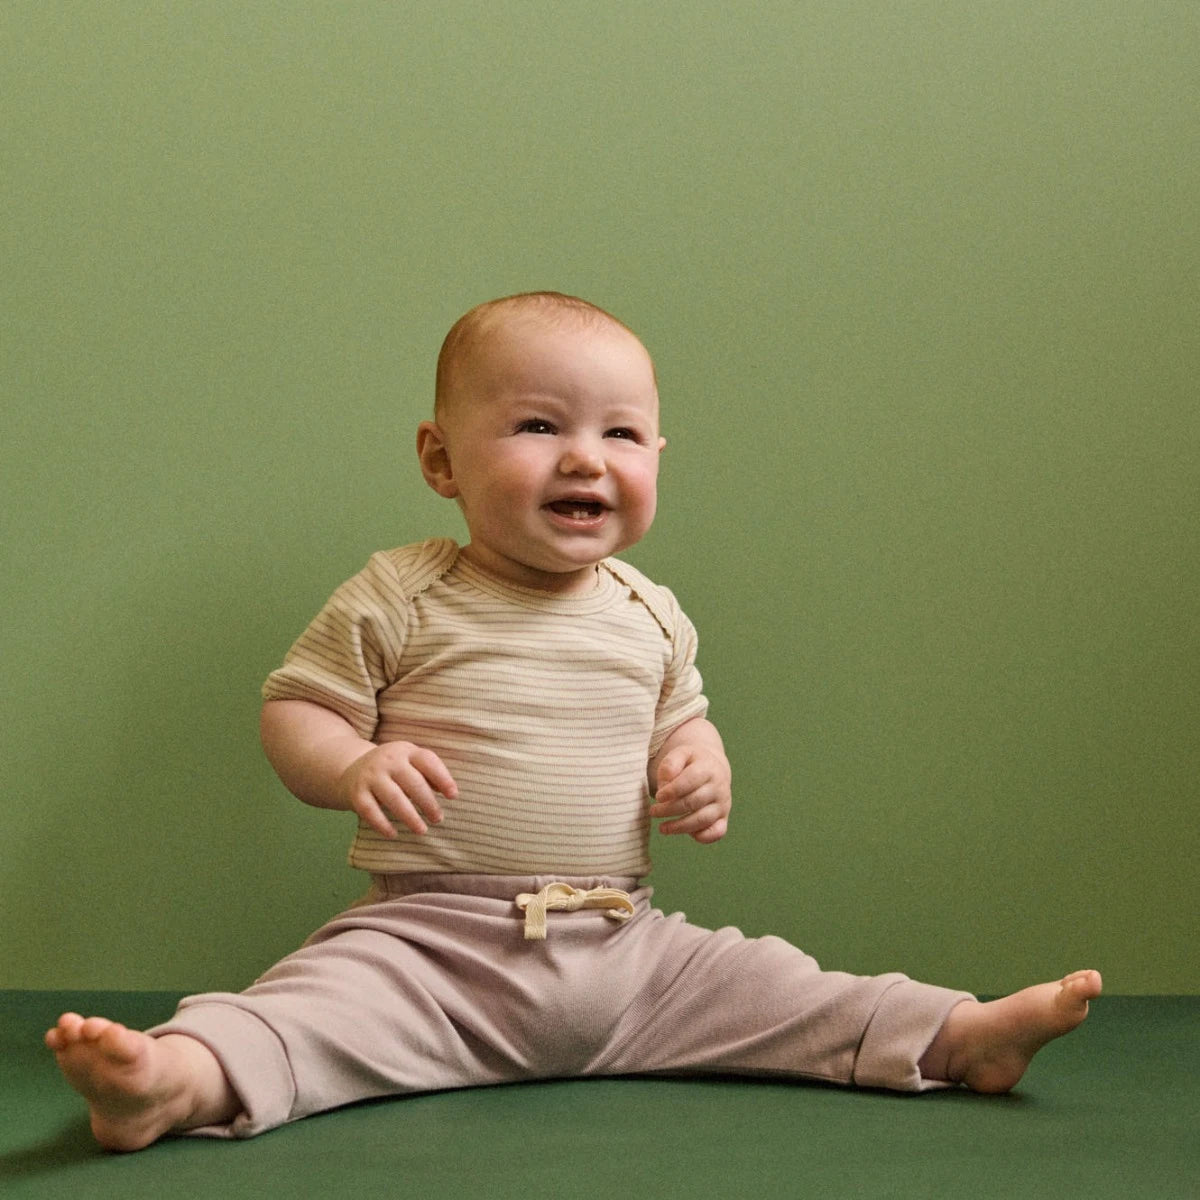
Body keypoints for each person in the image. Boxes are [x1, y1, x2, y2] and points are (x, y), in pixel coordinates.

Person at [46, 291, 1102, 1152]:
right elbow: (296, 710)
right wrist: (352, 764)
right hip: (427, 946)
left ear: (656, 458)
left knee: (786, 987)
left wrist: (699, 767)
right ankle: (170, 1083)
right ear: (441, 459)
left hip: (627, 950)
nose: (587, 458)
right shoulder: (401, 593)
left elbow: (684, 723)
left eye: (623, 434)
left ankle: (958, 1039)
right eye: (539, 426)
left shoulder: (649, 614)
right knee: (303, 1013)